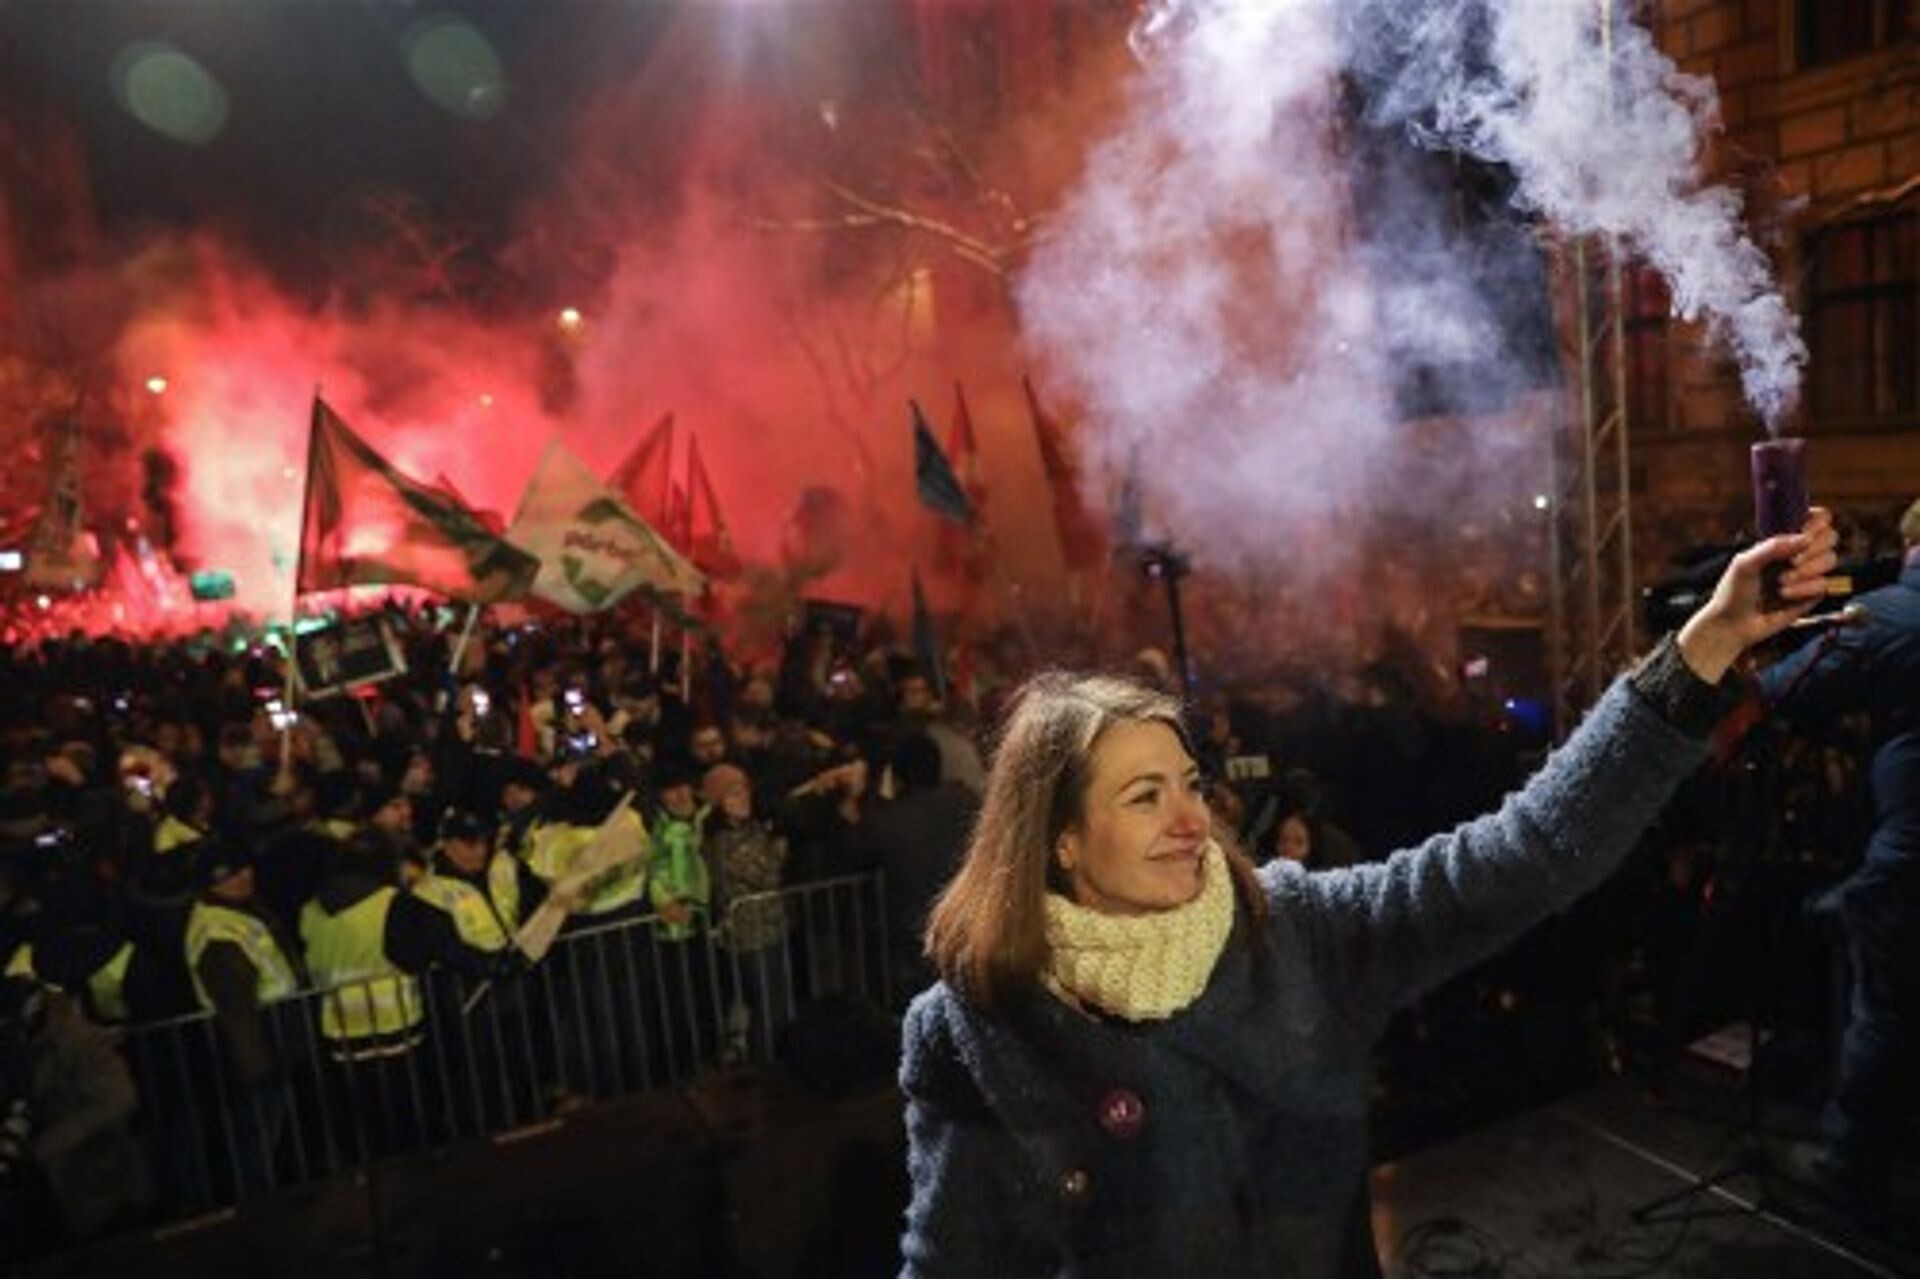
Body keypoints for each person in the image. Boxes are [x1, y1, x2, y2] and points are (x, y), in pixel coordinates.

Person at [898, 512, 1837, 1277]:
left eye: (1190, 782)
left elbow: (1526, 852)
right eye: (1145, 797)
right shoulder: (979, 1027)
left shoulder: (1298, 930)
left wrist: (1702, 648)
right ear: (1059, 840)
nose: (1191, 817)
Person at [1755, 496, 1920, 1226]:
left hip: (1907, 863)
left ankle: (1850, 1168)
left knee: (1881, 1006)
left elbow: (1779, 693)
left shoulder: (1887, 613)